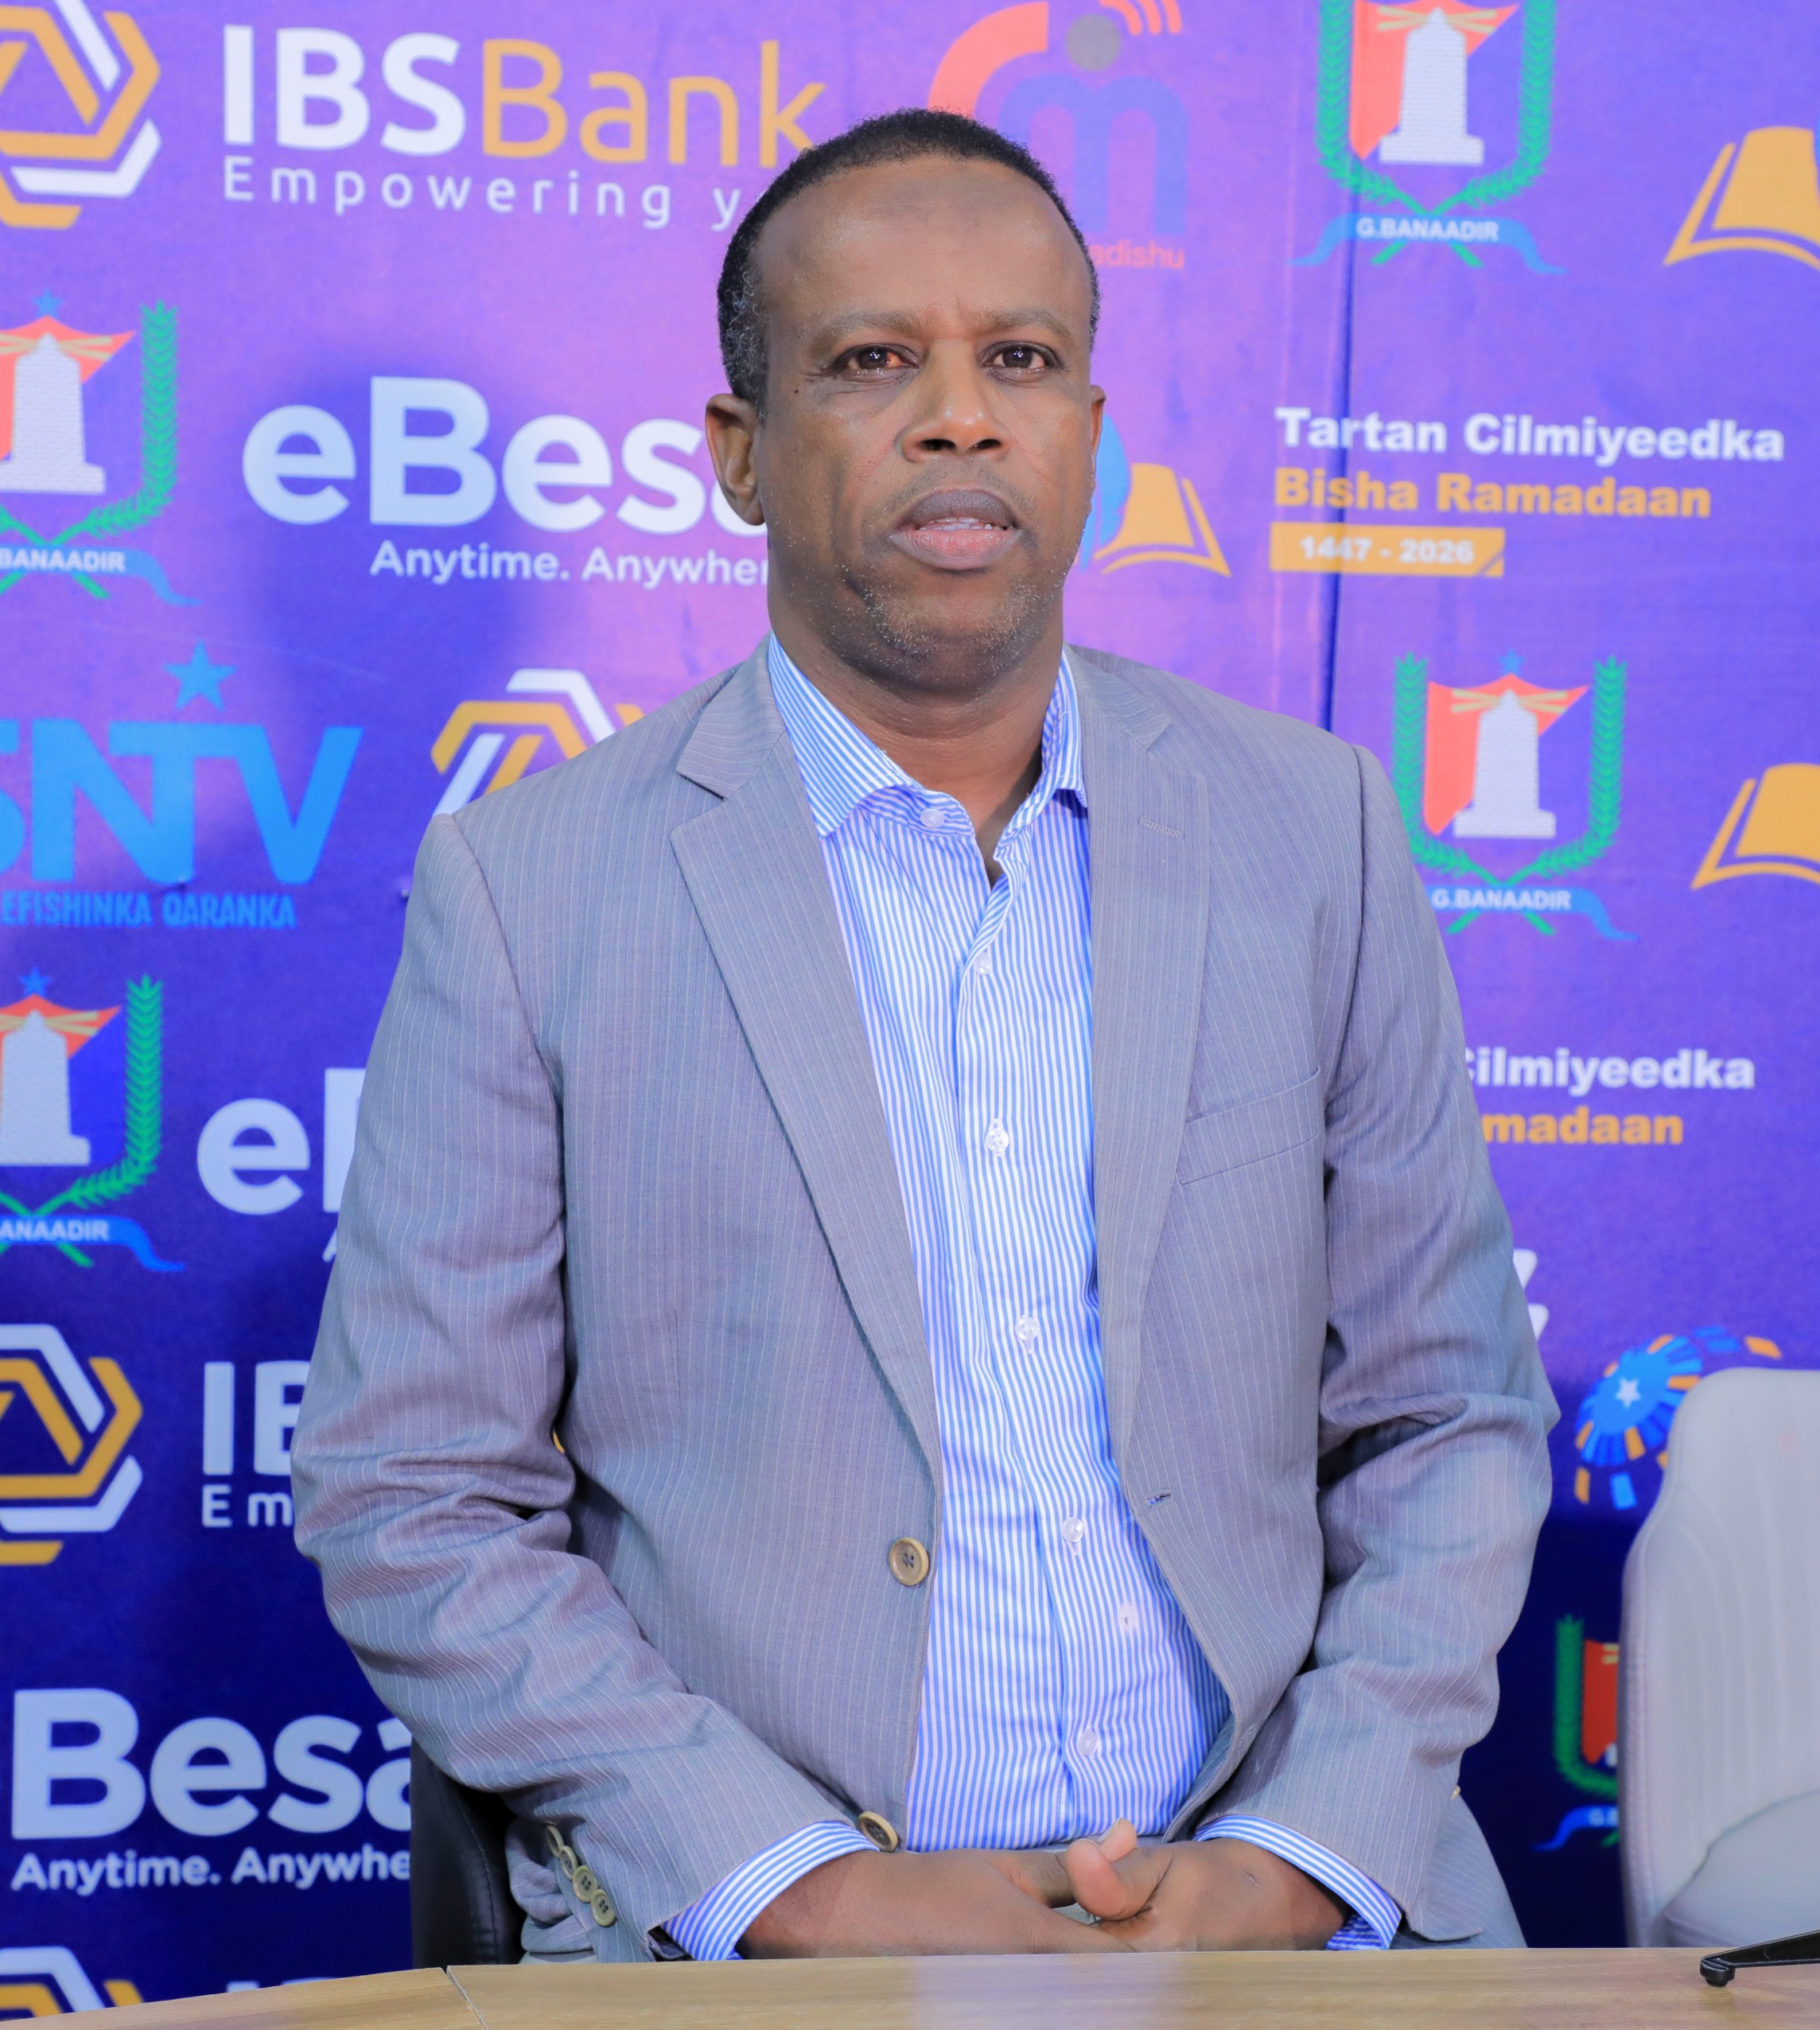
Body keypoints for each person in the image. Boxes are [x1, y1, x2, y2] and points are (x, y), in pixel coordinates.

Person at [293, 108, 1555, 1963]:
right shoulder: (530, 889)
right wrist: (800, 1882)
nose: (960, 418)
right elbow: (413, 1492)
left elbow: (1449, 1416)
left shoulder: (1316, 830)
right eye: (873, 360)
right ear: (739, 450)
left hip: (1279, 1913)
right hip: (762, 1942)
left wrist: (1296, 1855)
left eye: (1020, 361)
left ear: (1090, 434)